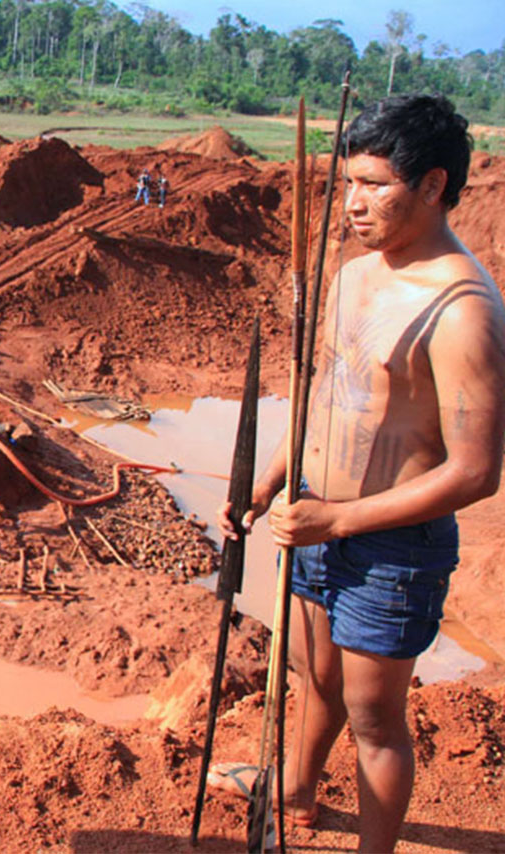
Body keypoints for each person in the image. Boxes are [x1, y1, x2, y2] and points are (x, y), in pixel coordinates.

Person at [211, 94, 505, 852]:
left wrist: (339, 520)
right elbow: (323, 396)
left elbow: (476, 473)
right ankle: (297, 792)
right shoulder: (352, 275)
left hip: (391, 550)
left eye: (375, 184)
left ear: (434, 185)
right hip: (312, 522)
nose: (353, 203)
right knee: (316, 679)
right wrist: (271, 481)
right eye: (349, 183)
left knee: (376, 720)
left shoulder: (463, 309)